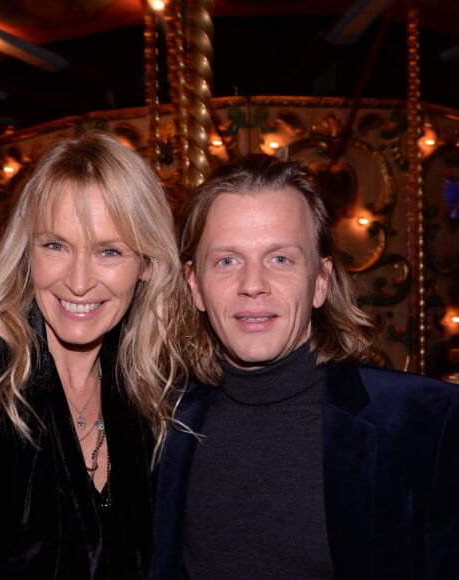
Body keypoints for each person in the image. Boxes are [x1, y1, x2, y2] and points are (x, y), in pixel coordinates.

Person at [0, 130, 184, 579]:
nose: (79, 281)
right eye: (55, 245)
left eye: (109, 251)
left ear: (147, 266)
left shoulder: (150, 405)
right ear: (27, 252)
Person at [153, 153, 459, 580]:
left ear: (320, 280)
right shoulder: (160, 425)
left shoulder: (428, 422)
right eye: (227, 260)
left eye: (280, 259)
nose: (253, 285)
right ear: (195, 286)